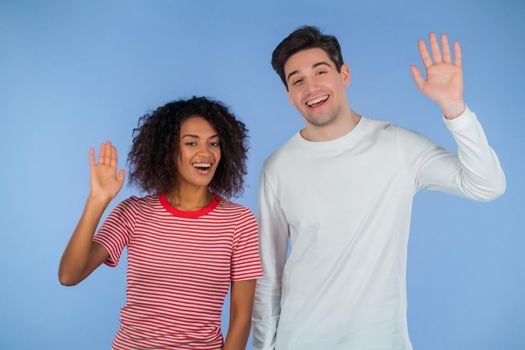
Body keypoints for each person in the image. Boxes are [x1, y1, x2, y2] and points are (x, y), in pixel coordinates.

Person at [252, 26, 506, 350]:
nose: (311, 87)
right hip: (298, 340)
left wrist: (454, 107)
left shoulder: (396, 146)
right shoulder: (278, 167)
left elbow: (487, 185)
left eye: (321, 72)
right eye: (297, 80)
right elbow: (267, 276)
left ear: (344, 75)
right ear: (289, 94)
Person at [59, 97, 263, 350]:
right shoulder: (133, 213)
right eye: (191, 143)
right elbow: (69, 275)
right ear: (166, 150)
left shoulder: (239, 222)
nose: (206, 153)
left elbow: (241, 316)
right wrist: (97, 201)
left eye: (214, 143)